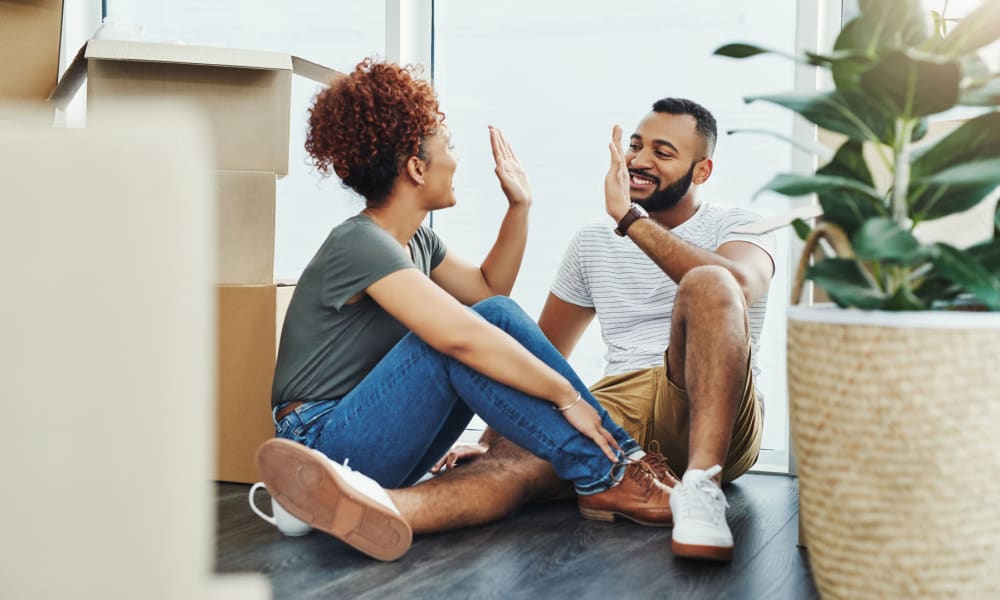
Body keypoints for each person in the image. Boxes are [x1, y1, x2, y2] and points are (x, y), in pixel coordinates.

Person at [262, 96, 777, 563]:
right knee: (477, 340)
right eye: (449, 147)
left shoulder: (416, 243)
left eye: (662, 152)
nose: (457, 159)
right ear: (418, 168)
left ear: (702, 168)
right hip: (319, 434)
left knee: (493, 316)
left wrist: (520, 206)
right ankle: (614, 472)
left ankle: (348, 500)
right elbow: (465, 337)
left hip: (360, 435)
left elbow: (489, 291)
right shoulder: (361, 242)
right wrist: (560, 397)